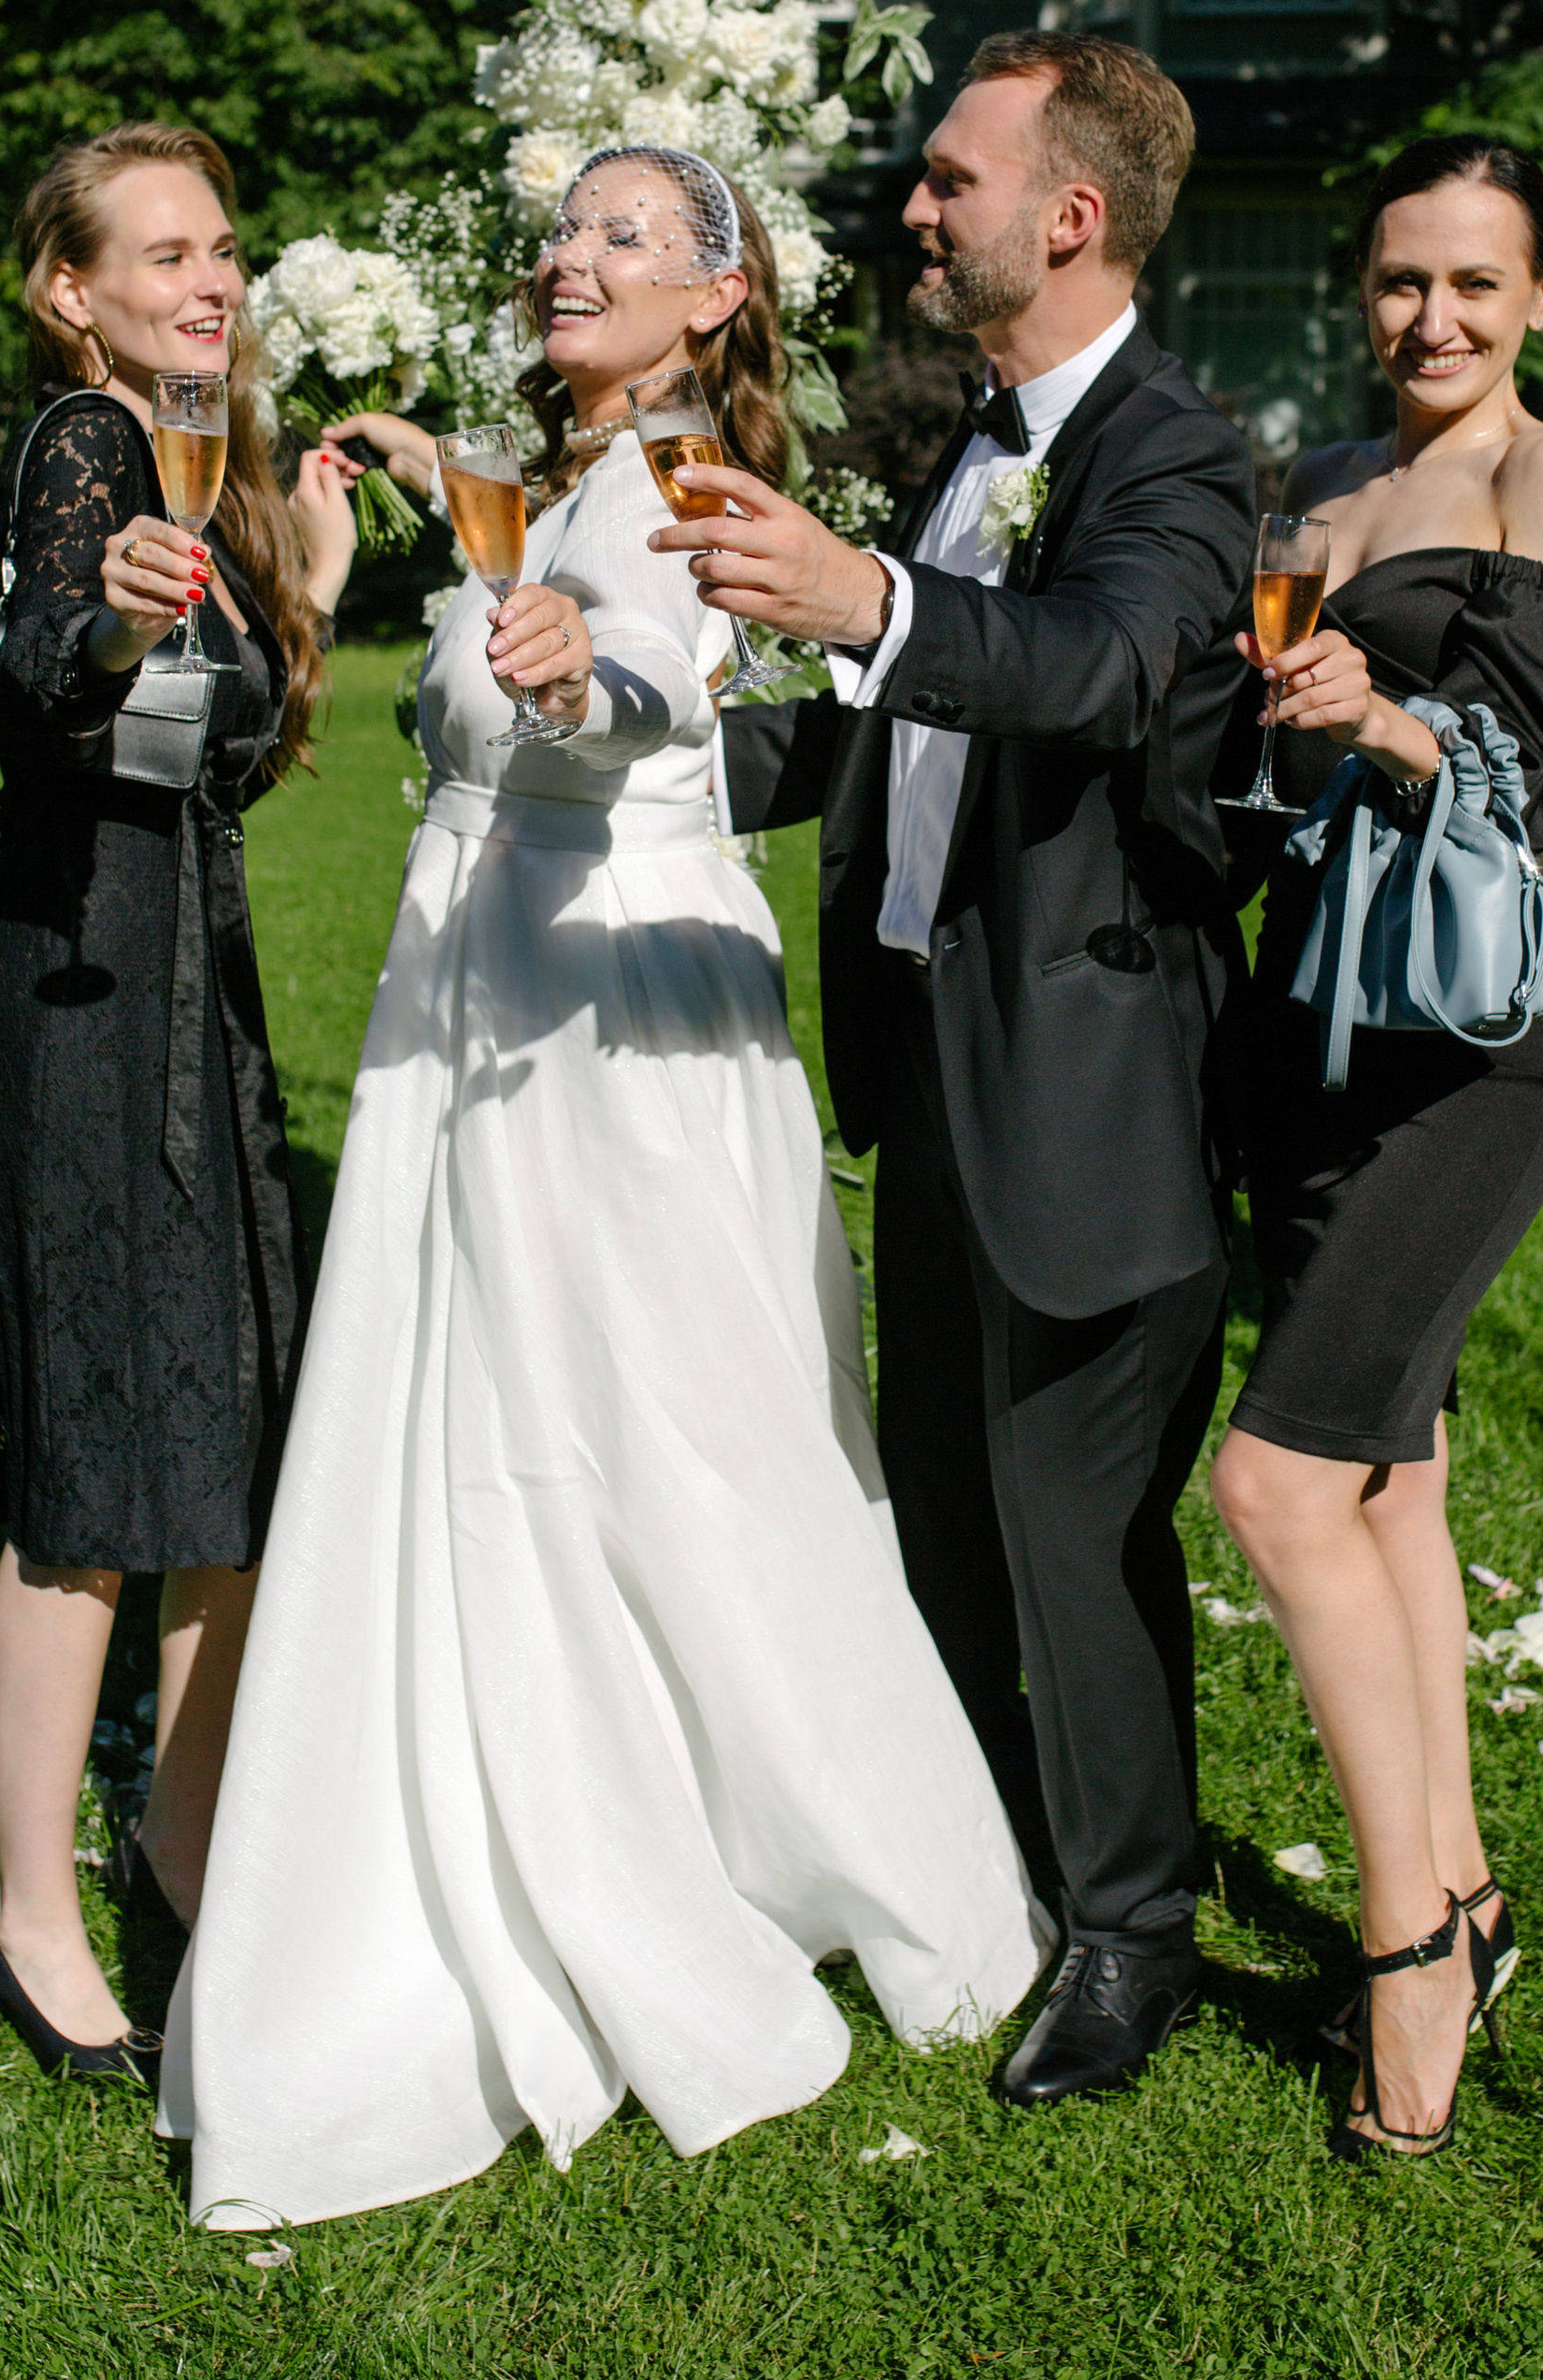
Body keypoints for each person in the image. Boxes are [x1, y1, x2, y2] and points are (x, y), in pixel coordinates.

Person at [160, 144, 1043, 2228]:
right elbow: (556, 571)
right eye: (564, 225)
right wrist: (438, 474)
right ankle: (651, 1800)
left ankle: (715, 1841)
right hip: (507, 1010)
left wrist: (578, 688)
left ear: (719, 303)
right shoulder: (573, 474)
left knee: (652, 1445)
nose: (573, 251)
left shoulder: (668, 499)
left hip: (600, 1027)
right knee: (558, 1432)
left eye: (629, 236)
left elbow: (648, 678)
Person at [666, 33, 1258, 2109]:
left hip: (1087, 1084)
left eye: (949, 179)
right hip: (927, 1060)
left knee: (1068, 1522)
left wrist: (859, 595)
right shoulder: (975, 439)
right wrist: (639, 770)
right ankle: (978, 1847)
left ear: (1067, 216)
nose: (916, 210)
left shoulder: (1173, 455)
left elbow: (1091, 671)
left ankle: (1130, 1937)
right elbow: (885, 727)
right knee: (936, 1503)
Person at [1207, 133, 1543, 2160]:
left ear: (1540, 298)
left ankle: (1402, 1952)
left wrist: (1384, 720)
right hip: (1312, 1029)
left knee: (1280, 1487)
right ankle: (1459, 1880)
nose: (1432, 320)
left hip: (1472, 1040)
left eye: (1476, 284)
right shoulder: (1315, 493)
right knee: (1388, 1492)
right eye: (1399, 281)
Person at [0, 121, 359, 2081]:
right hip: (79, 1011)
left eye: (223, 252)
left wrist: (313, 597)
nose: (206, 280)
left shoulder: (219, 472)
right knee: (93, 1477)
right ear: (71, 291)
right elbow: (27, 684)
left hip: (194, 1014)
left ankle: (180, 1839)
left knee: (220, 1453)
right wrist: (100, 619)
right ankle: (28, 1908)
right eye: (161, 252)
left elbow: (226, 764)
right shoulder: (83, 449)